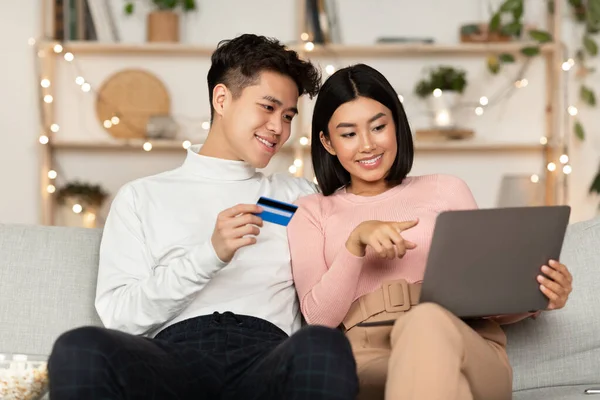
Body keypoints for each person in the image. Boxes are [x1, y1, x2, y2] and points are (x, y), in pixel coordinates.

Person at [47, 34, 359, 400]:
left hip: (268, 359)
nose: (279, 127)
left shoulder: (298, 195)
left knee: (322, 346)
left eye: (288, 115)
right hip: (170, 361)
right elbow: (120, 315)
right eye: (268, 107)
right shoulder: (142, 196)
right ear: (222, 99)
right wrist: (209, 255)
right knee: (79, 347)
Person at [287, 63, 573, 400]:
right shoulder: (312, 213)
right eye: (348, 134)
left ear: (396, 124)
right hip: (368, 357)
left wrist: (537, 296)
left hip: (466, 344)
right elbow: (318, 321)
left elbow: (487, 296)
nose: (367, 145)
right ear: (328, 142)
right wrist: (355, 244)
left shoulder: (446, 189)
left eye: (378, 127)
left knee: (425, 323)